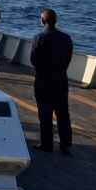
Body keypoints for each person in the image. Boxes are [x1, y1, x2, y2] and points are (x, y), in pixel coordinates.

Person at [29, 9, 73, 155]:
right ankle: (65, 144)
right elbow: (68, 57)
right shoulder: (66, 38)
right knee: (63, 113)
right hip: (61, 79)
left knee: (45, 112)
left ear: (43, 21)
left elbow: (34, 60)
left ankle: (47, 143)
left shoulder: (39, 38)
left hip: (44, 79)